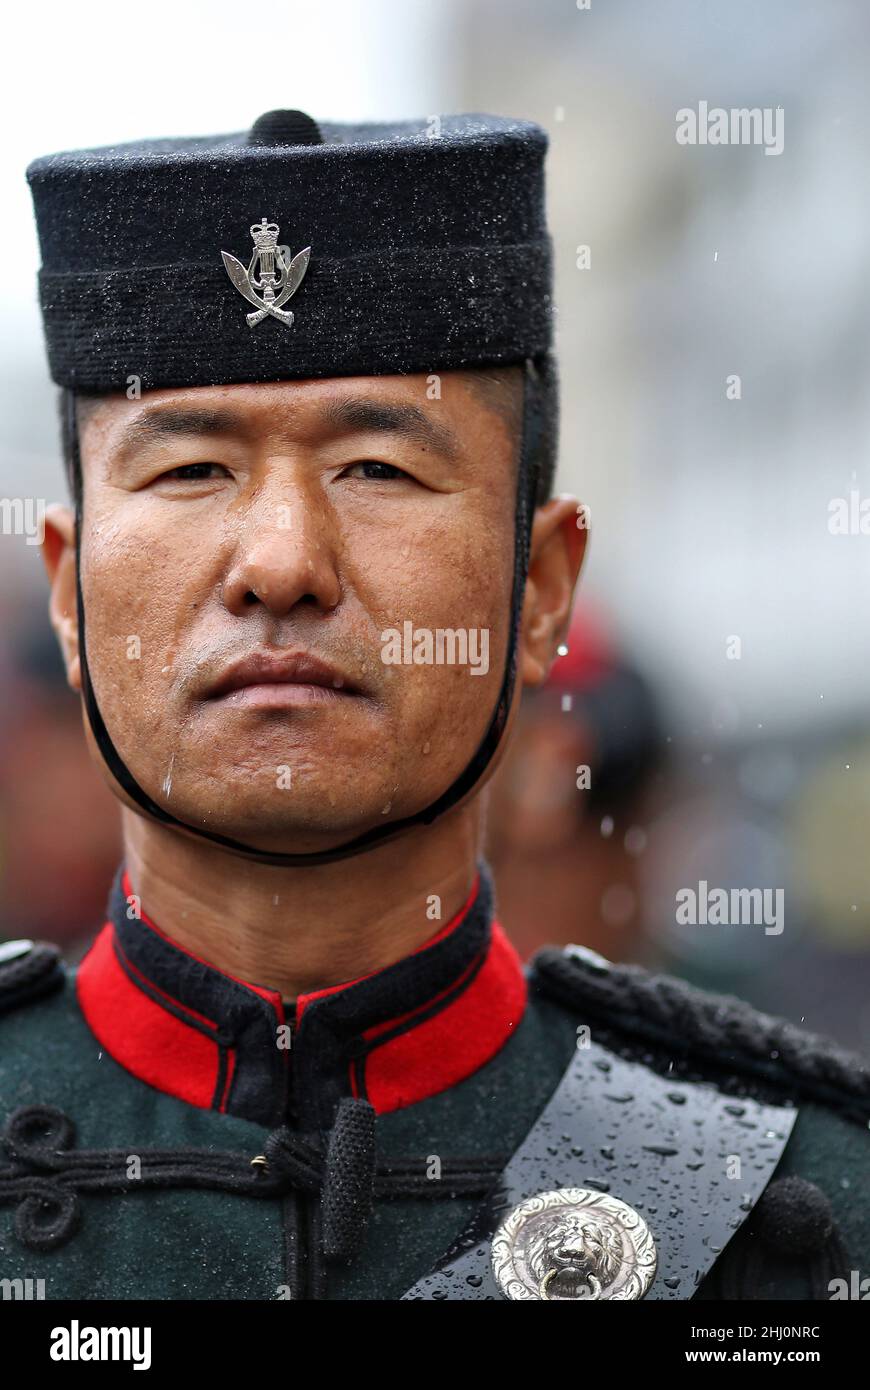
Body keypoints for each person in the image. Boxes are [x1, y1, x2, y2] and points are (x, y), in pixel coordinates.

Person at [0, 109, 867, 1302]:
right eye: (190, 468)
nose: (282, 561)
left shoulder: (798, 1204)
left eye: (379, 469)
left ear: (541, 589)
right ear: (67, 590)